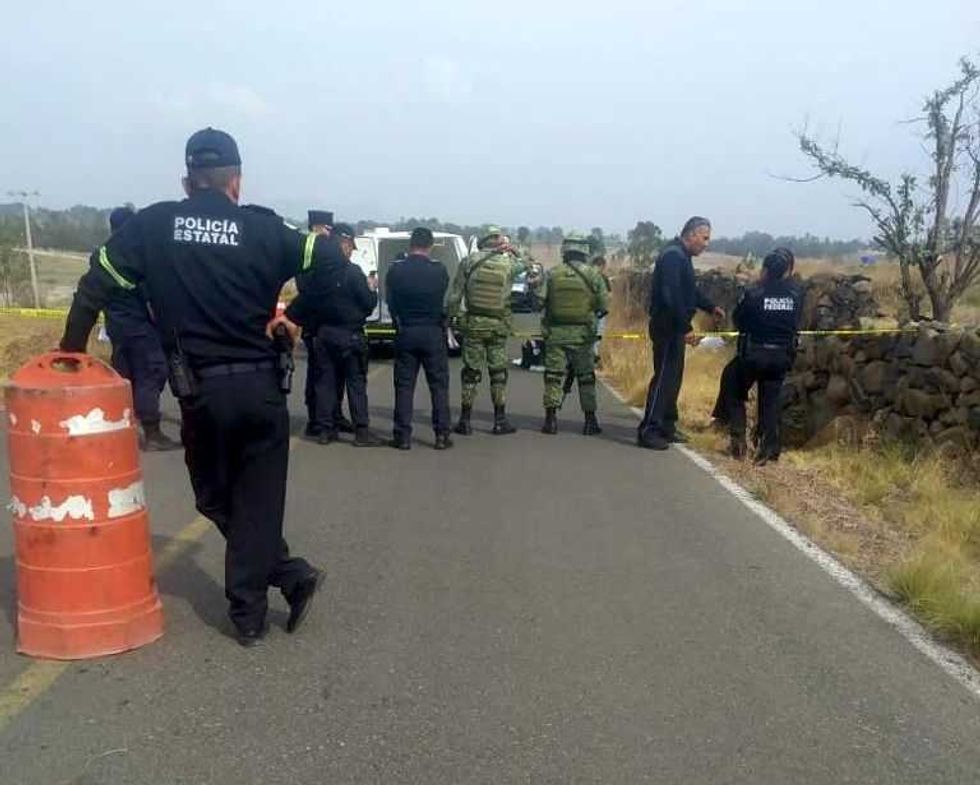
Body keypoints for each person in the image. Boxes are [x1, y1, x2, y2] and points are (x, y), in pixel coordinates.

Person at [59, 127, 342, 646]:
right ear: (236, 182)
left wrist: (70, 356)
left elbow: (93, 285)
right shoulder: (264, 229)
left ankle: (256, 604)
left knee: (213, 497)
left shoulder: (154, 225)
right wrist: (295, 315)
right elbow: (333, 265)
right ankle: (277, 586)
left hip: (201, 394)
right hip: (261, 391)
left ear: (188, 182)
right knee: (258, 499)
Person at [285, 223, 382, 447]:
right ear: (344, 244)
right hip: (350, 334)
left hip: (324, 333)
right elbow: (368, 304)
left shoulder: (319, 273)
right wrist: (371, 289)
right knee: (355, 383)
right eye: (350, 247)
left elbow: (306, 301)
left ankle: (325, 430)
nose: (351, 252)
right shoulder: (353, 272)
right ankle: (361, 431)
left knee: (325, 382)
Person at [637, 217, 725, 451]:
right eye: (704, 238)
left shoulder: (681, 256)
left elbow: (689, 291)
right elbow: (671, 296)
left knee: (673, 379)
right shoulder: (673, 257)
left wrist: (710, 307)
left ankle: (667, 425)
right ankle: (649, 430)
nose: (706, 243)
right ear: (691, 234)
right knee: (664, 379)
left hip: (674, 326)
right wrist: (685, 328)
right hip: (668, 327)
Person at [103, 206, 181, 451]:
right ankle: (152, 433)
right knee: (151, 373)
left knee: (125, 376)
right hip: (140, 327)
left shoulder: (104, 255)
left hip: (116, 327)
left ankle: (122, 426)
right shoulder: (136, 257)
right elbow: (151, 301)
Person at [717, 248, 802, 464]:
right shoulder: (796, 294)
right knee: (770, 401)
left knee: (733, 385)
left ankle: (738, 442)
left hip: (754, 354)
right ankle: (769, 449)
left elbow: (739, 320)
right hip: (781, 356)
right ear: (787, 270)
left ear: (765, 269)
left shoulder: (754, 293)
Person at [447, 226, 530, 435]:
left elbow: (455, 295)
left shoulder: (468, 261)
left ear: (481, 241)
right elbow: (528, 264)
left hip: (473, 325)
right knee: (498, 373)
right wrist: (513, 249)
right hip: (498, 326)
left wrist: (451, 319)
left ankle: (465, 421)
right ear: (498, 241)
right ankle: (500, 420)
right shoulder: (508, 264)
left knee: (470, 372)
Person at [385, 227, 452, 450]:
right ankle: (441, 434)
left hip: (406, 330)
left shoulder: (396, 271)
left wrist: (398, 322)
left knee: (404, 386)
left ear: (410, 244)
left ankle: (402, 436)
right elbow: (443, 297)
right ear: (430, 245)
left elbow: (391, 302)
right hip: (432, 331)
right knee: (439, 386)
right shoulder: (439, 271)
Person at [540, 233, 609, 435]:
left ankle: (550, 421)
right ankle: (590, 421)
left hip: (555, 334)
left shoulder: (552, 274)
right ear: (584, 251)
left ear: (565, 251)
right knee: (586, 378)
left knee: (553, 377)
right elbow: (603, 306)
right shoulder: (593, 275)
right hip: (583, 336)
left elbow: (539, 301)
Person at [296, 210, 354, 438]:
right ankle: (316, 418)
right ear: (316, 227)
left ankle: (335, 414)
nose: (330, 233)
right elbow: (306, 287)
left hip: (329, 323)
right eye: (327, 229)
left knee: (335, 373)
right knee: (318, 375)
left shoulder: (327, 252)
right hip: (314, 323)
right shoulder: (308, 253)